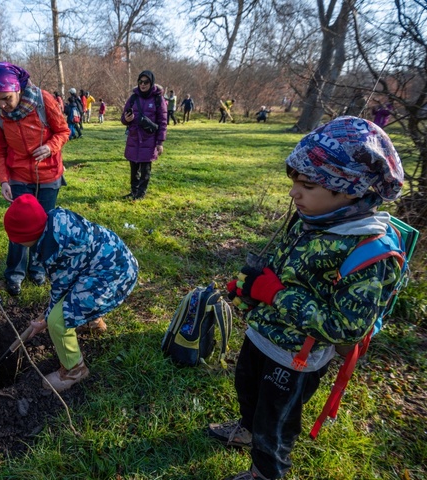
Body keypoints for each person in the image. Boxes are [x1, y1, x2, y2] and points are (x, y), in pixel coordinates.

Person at [209, 116, 404, 480]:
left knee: (277, 422)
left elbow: (344, 327)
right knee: (247, 388)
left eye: (307, 185)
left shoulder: (367, 249)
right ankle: (246, 428)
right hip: (263, 334)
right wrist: (252, 290)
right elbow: (284, 266)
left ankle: (267, 471)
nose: (294, 193)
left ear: (349, 190)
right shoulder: (311, 219)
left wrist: (276, 295)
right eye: (294, 182)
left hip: (297, 357)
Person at [3, 194, 138, 392]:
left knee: (58, 320)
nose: (17, 244)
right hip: (120, 263)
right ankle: (93, 322)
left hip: (113, 278)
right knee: (75, 296)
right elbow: (72, 279)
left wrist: (46, 320)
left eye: (18, 240)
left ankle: (74, 370)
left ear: (28, 236)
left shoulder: (55, 250)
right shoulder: (56, 221)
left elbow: (61, 290)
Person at [0, 62, 71, 297]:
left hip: (49, 174)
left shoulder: (43, 100)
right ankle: (14, 273)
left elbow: (64, 131)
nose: (1, 104)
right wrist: (3, 180)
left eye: (6, 98)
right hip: (18, 175)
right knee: (20, 226)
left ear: (18, 89)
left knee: (44, 225)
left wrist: (50, 147)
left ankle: (39, 266)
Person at [120, 70, 167, 200]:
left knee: (145, 169)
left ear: (151, 83)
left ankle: (141, 193)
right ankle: (133, 192)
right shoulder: (133, 98)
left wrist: (160, 142)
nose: (143, 84)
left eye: (146, 82)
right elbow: (123, 119)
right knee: (133, 168)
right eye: (140, 82)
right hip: (134, 138)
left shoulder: (158, 99)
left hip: (149, 139)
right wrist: (127, 119)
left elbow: (162, 122)